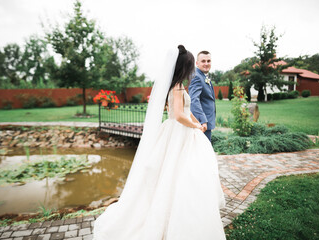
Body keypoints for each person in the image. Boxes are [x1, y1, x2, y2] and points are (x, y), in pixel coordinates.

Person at [93, 45, 226, 240]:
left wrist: (199, 123)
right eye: (191, 65)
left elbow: (187, 111)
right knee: (178, 173)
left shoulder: (177, 85)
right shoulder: (178, 86)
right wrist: (194, 127)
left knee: (176, 172)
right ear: (185, 66)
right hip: (178, 132)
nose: (192, 70)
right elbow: (180, 115)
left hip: (176, 131)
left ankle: (178, 209)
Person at [189, 51, 216, 141]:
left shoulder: (203, 76)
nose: (206, 63)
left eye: (208, 61)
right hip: (202, 124)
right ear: (197, 63)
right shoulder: (196, 77)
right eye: (203, 61)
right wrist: (202, 120)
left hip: (207, 122)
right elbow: (194, 100)